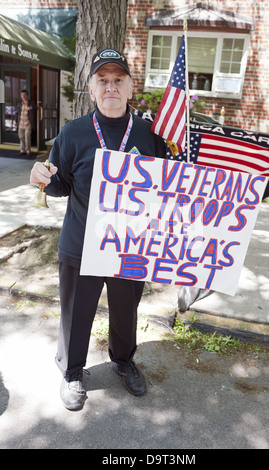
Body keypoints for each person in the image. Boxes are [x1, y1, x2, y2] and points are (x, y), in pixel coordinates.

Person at [30, 48, 166, 411]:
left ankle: (124, 361)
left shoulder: (150, 133)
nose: (111, 87)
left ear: (130, 87)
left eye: (118, 79)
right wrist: (41, 177)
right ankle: (72, 371)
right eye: (102, 80)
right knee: (76, 312)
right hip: (81, 243)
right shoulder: (73, 133)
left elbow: (170, 186)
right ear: (90, 89)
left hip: (130, 245)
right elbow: (59, 185)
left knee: (126, 311)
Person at [15, 89, 36, 156]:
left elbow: (36, 107)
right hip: (21, 123)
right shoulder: (19, 104)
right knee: (21, 137)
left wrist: (31, 108)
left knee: (27, 137)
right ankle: (22, 150)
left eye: (24, 95)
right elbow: (17, 113)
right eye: (22, 95)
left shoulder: (31, 102)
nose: (23, 96)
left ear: (27, 95)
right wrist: (16, 121)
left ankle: (28, 151)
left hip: (28, 123)